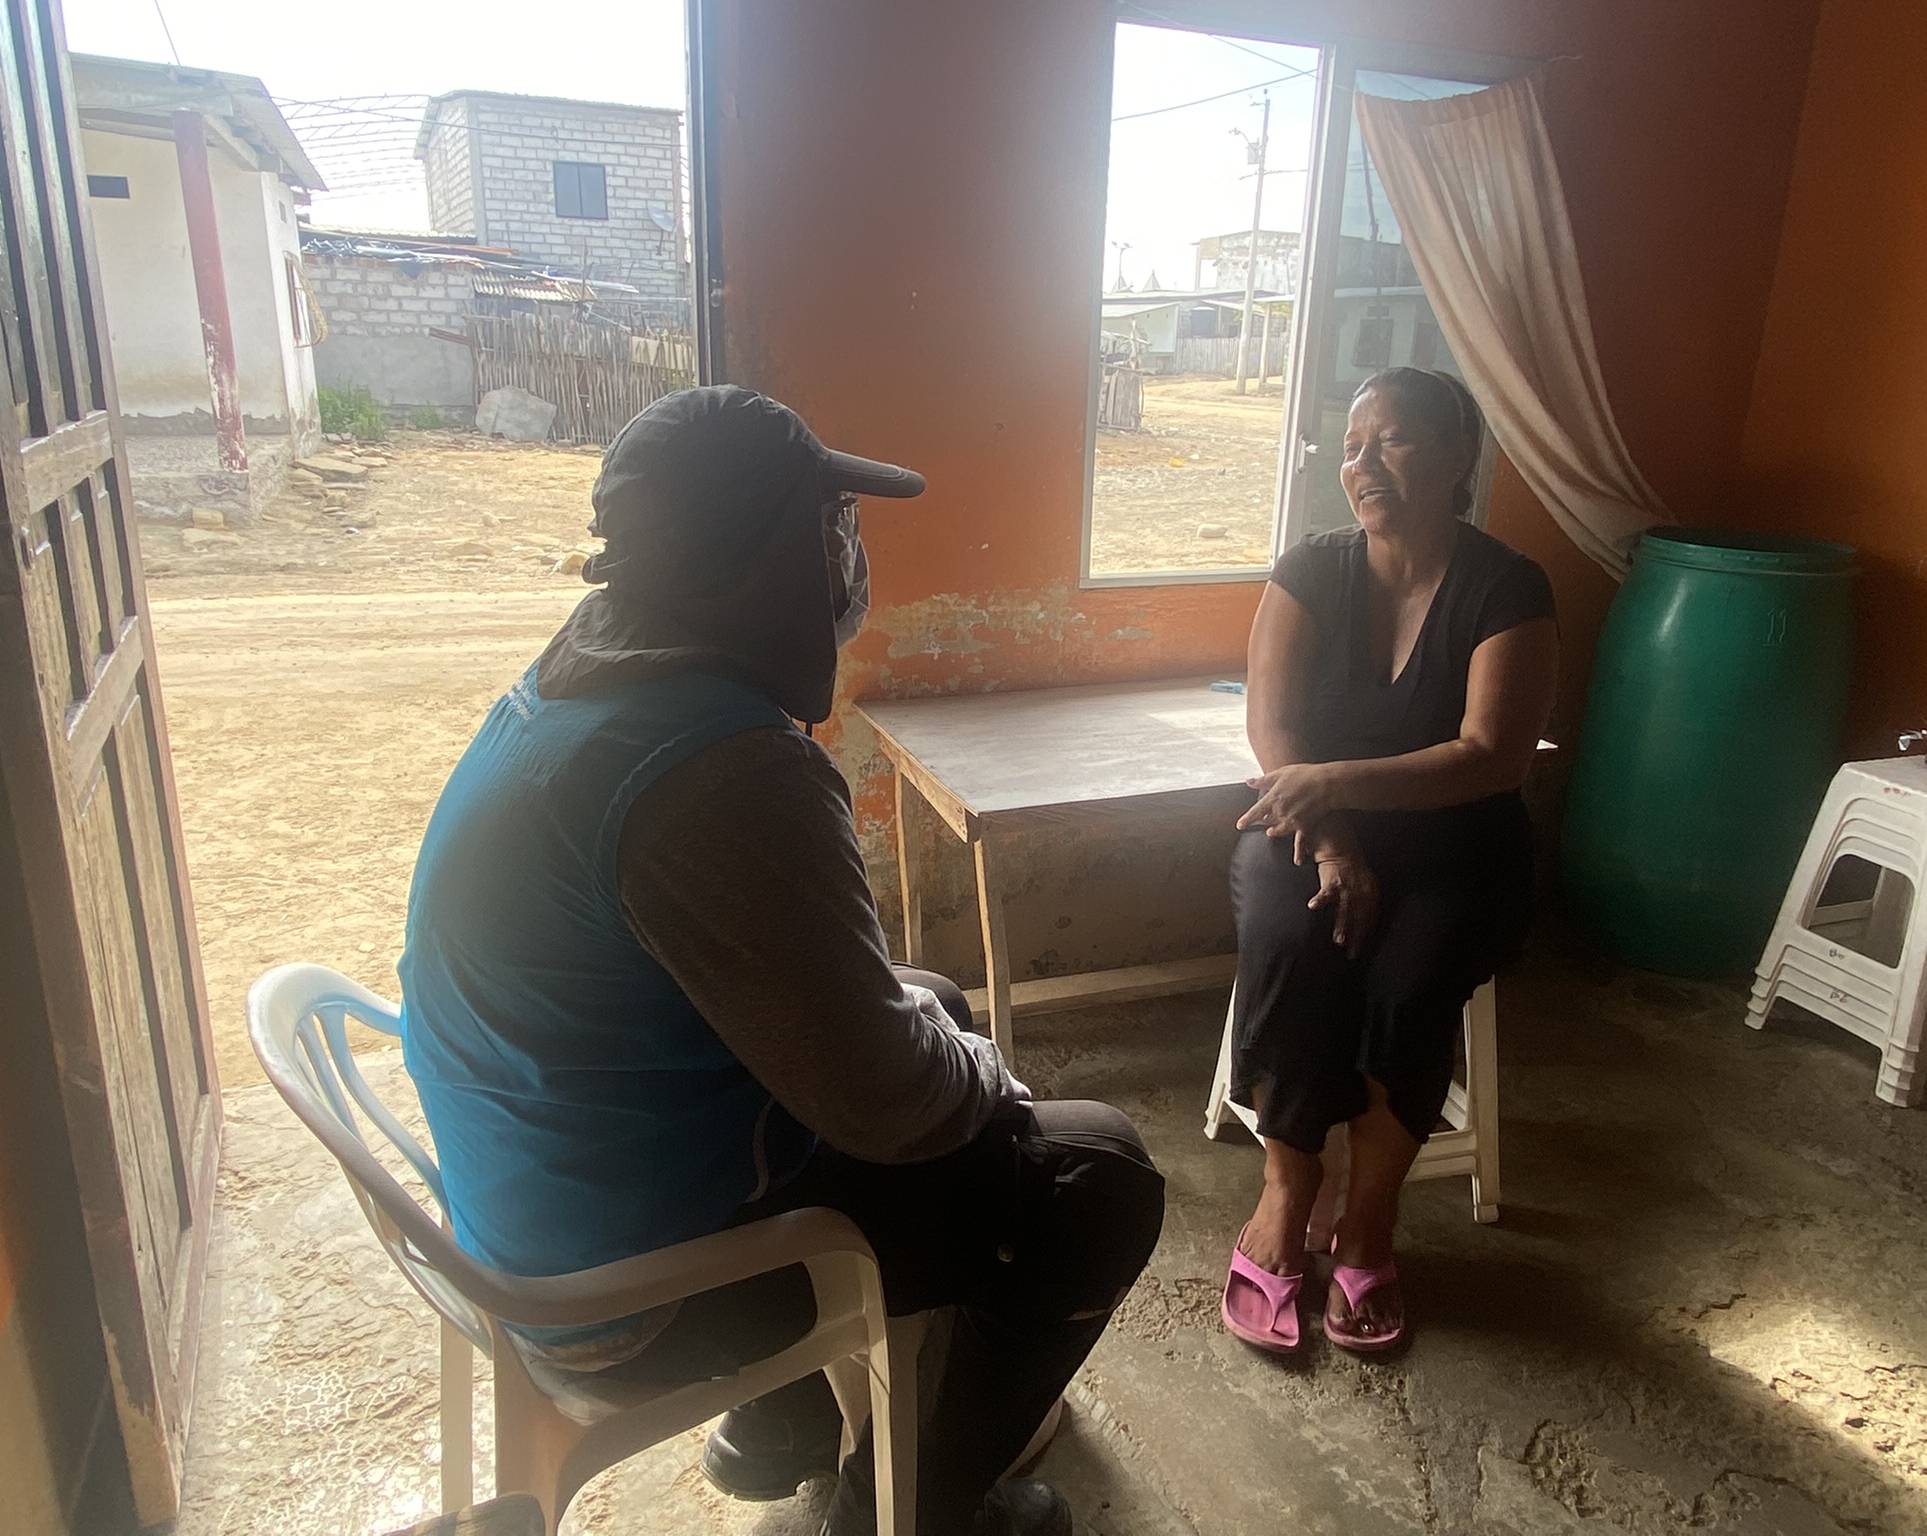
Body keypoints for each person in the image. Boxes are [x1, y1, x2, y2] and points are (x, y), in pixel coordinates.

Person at [397, 386, 1165, 1536]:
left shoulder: (584, 683)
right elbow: (887, 1105)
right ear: (764, 553)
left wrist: (932, 1034)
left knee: (930, 998)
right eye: (831, 523)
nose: (850, 551)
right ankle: (903, 1509)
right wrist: (990, 1077)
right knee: (1095, 1176)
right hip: (630, 1298)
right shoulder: (723, 771)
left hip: (540, 1202)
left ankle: (782, 1425)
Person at [1219, 367, 1557, 1355]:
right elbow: (1272, 727)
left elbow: (1491, 754)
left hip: (1459, 844)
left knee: (1414, 976)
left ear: (1457, 458)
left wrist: (1333, 784)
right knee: (1292, 938)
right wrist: (1330, 835)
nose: (1362, 464)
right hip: (1309, 830)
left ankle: (1368, 1222)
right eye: (1351, 447)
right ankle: (1286, 1196)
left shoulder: (1507, 587)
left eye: (1393, 440)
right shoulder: (1309, 571)